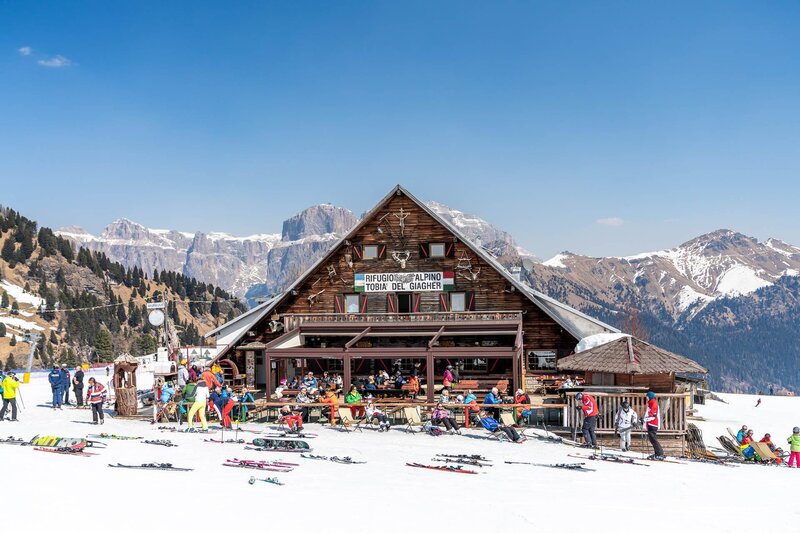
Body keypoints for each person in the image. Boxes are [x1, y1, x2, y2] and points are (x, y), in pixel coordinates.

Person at [642, 391, 665, 459]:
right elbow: (649, 414)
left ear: (650, 397)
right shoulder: (651, 403)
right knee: (652, 440)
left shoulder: (653, 403)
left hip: (653, 424)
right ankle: (657, 453)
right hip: (651, 424)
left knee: (653, 440)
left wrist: (645, 420)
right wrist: (644, 419)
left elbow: (652, 416)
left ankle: (660, 454)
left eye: (647, 396)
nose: (646, 398)